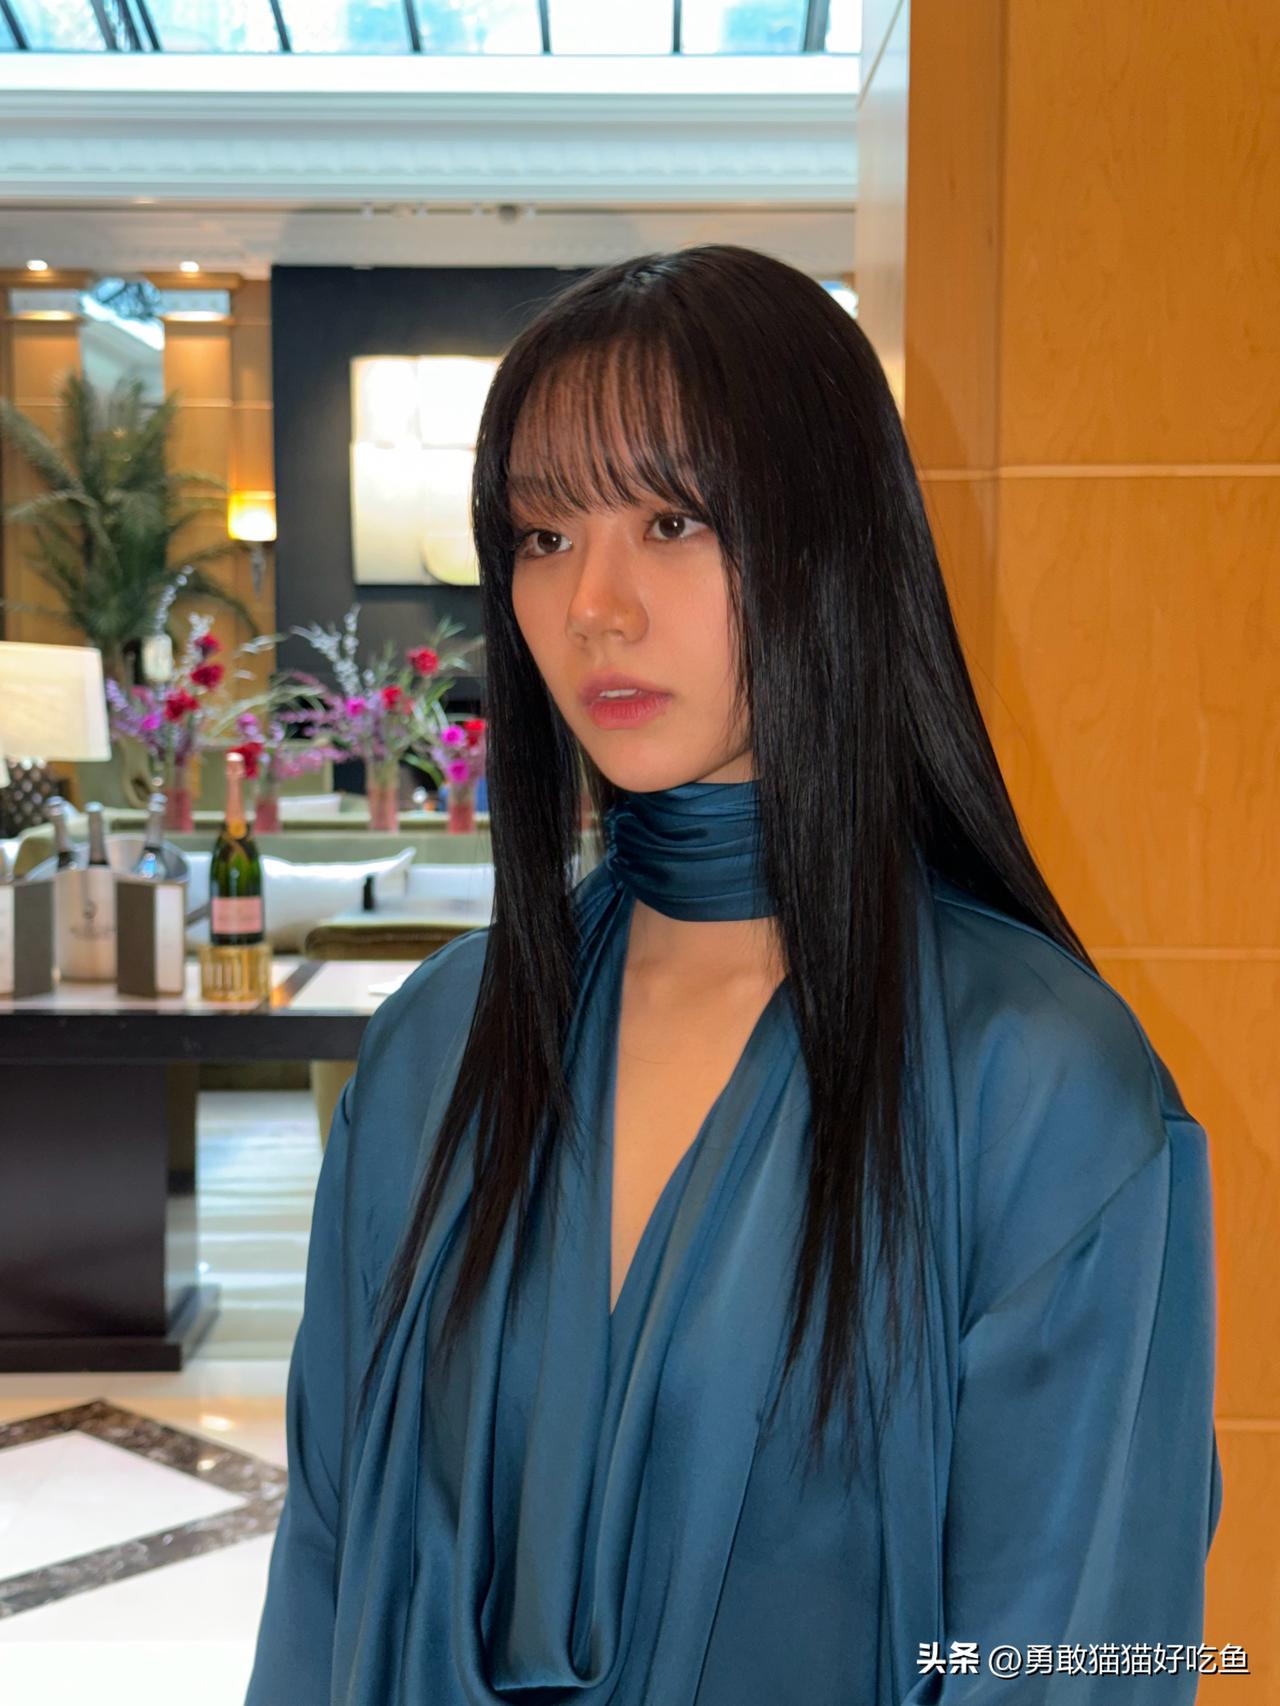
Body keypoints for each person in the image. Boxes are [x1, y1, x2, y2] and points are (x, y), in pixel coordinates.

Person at [244, 246, 1223, 1705]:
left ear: (829, 539)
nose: (596, 604)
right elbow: (325, 1569)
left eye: (673, 519)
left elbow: (1074, 1652)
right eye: (543, 534)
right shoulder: (434, 1049)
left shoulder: (1038, 1083)